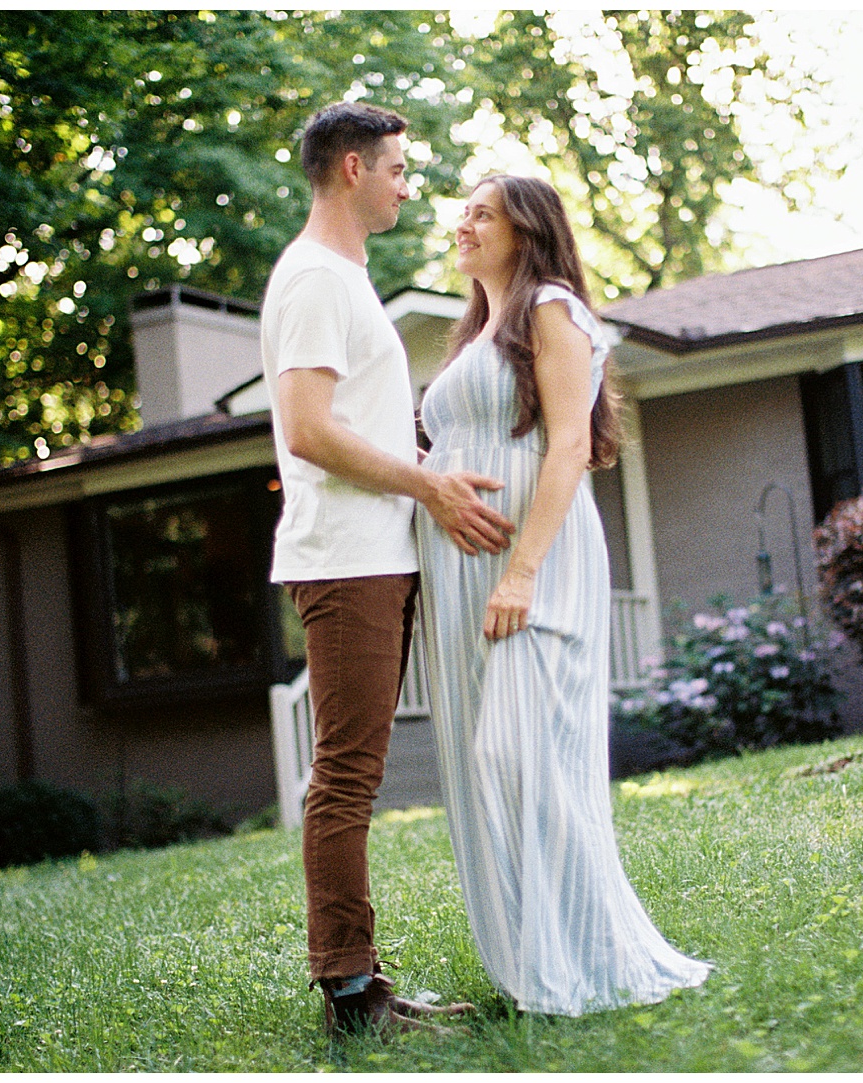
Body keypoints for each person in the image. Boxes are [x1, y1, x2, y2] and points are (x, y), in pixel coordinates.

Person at [414, 175, 712, 1017]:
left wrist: (521, 571)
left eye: (482, 212)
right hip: (464, 571)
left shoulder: (551, 306)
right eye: (462, 212)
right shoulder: (476, 332)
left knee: (520, 750)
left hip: (532, 561)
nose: (462, 223)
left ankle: (590, 955)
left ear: (527, 228)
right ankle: (534, 960)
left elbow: (570, 443)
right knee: (486, 765)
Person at [260, 102, 515, 1037]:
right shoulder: (317, 280)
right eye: (401, 168)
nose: (412, 186)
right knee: (347, 775)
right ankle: (351, 992)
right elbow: (308, 430)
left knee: (353, 771)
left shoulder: (345, 279)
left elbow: (351, 420)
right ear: (354, 168)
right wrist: (431, 485)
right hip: (346, 559)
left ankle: (360, 980)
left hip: (375, 555)